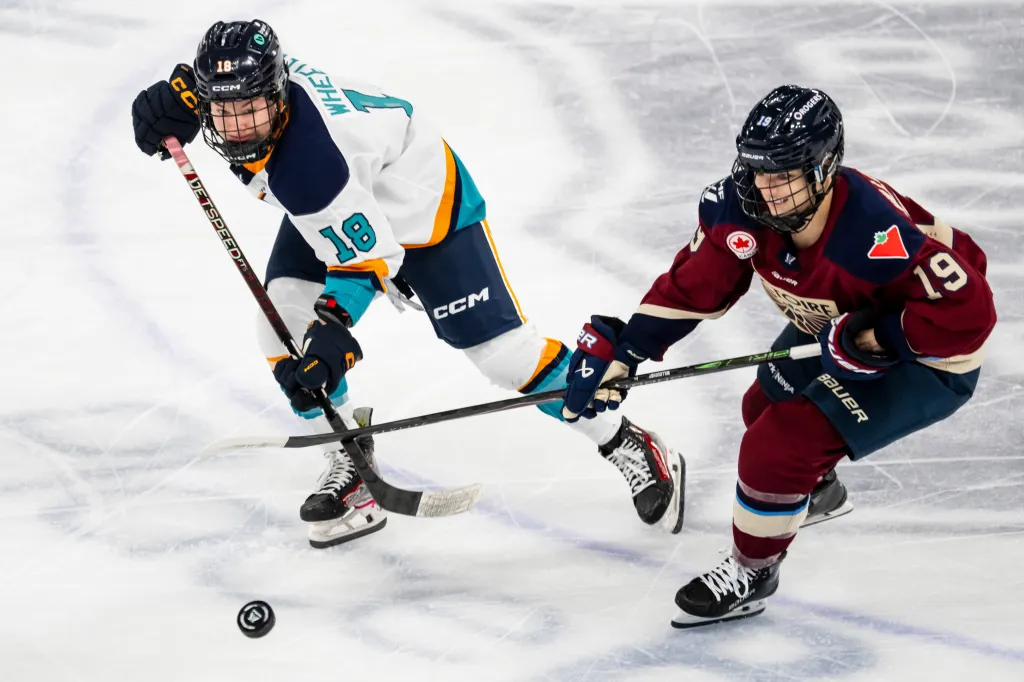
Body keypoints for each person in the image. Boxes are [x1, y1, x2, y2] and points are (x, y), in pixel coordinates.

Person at [130, 19, 684, 549]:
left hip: (427, 217)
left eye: (250, 110)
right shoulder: (250, 92)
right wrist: (168, 97)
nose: (238, 129)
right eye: (222, 113)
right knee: (281, 326)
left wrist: (333, 332)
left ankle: (625, 441)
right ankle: (351, 456)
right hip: (342, 205)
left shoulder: (312, 166)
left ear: (276, 94)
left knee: (507, 357)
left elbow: (366, 262)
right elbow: (208, 92)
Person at [561, 84, 996, 627]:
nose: (766, 190)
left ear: (824, 169)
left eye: (784, 174)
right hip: (833, 324)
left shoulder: (872, 232)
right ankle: (817, 491)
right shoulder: (737, 209)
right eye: (757, 169)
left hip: (926, 357)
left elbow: (967, 313)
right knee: (760, 407)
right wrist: (628, 351)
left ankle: (754, 570)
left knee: (777, 446)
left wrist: (871, 341)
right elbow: (693, 287)